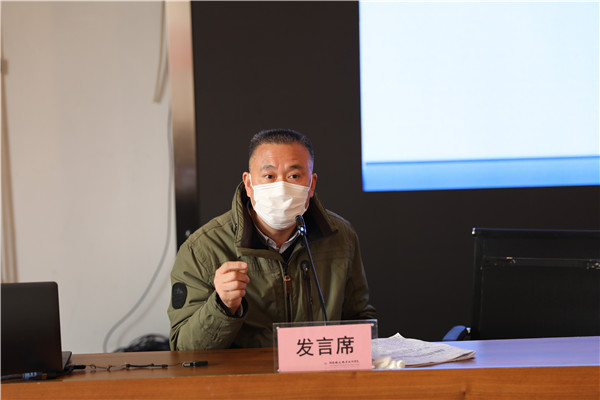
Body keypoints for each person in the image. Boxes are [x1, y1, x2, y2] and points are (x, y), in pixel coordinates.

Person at [168, 129, 376, 350]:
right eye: (269, 176)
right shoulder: (202, 248)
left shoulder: (340, 236)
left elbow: (359, 319)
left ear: (311, 184)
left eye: (294, 176)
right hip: (247, 372)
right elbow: (183, 350)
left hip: (318, 369)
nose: (281, 188)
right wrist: (222, 306)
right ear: (249, 184)